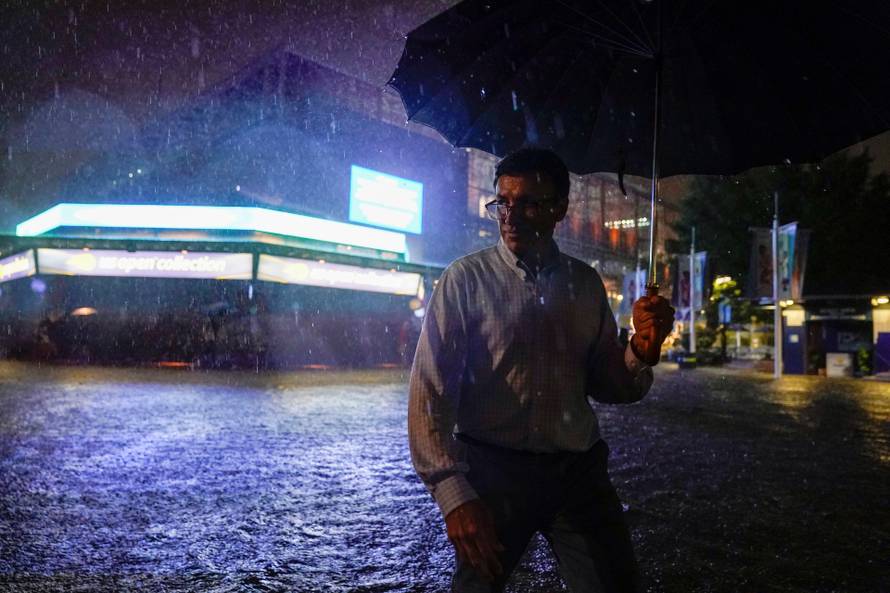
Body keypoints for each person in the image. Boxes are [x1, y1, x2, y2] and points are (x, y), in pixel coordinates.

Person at [408, 147, 674, 593]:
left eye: (528, 202)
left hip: (578, 476)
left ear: (559, 210)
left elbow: (605, 382)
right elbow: (429, 393)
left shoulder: (584, 284)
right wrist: (453, 495)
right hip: (492, 473)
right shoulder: (464, 281)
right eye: (503, 202)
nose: (510, 216)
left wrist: (639, 353)